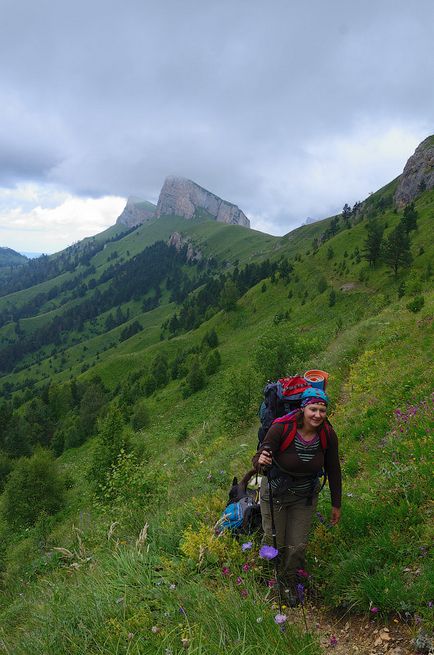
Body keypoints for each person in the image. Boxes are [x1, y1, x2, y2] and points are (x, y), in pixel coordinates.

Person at [252, 387, 341, 603]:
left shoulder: (327, 433)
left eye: (322, 410)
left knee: (297, 546)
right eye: (313, 409)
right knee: (275, 541)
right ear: (303, 408)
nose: (318, 415)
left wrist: (336, 504)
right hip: (276, 494)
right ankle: (265, 577)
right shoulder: (281, 427)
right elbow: (259, 458)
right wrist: (261, 462)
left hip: (305, 497)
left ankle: (290, 585)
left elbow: (333, 468)